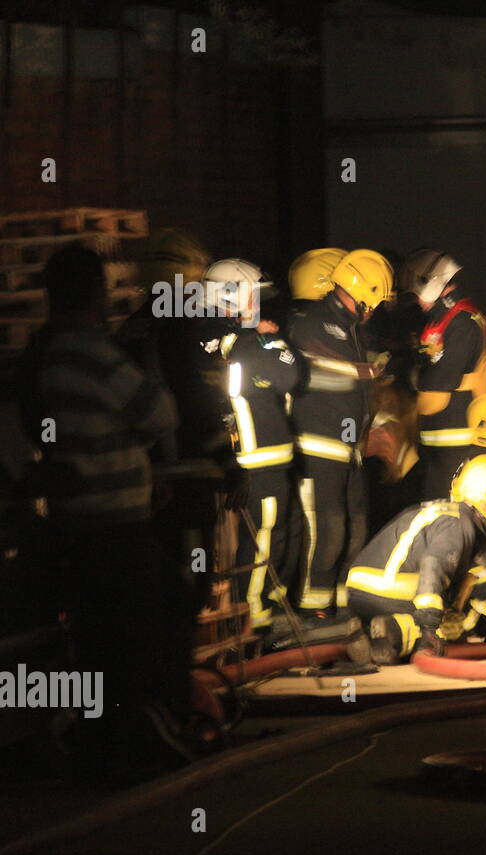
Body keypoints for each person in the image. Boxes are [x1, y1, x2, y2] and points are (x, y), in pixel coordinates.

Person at [17, 244, 195, 768]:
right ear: (96, 293)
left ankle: (103, 740)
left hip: (78, 520)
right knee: (153, 619)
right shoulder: (91, 352)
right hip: (116, 525)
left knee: (99, 639)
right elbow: (158, 413)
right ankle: (145, 737)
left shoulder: (42, 353)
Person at [116, 228, 246, 612]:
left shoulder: (130, 331)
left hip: (142, 482)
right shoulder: (179, 333)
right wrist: (229, 462)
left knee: (152, 585)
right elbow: (198, 402)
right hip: (185, 479)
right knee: (187, 586)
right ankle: (172, 667)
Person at [344, 455, 486, 664]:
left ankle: (371, 633)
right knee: (450, 630)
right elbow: (433, 564)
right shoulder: (459, 525)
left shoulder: (447, 513)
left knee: (455, 615)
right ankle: (397, 633)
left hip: (363, 592)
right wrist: (430, 628)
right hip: (387, 592)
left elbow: (479, 565)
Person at [289, 248, 392, 630]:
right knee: (327, 529)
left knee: (356, 528)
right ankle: (312, 612)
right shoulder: (312, 322)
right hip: (317, 444)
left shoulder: (350, 327)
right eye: (375, 303)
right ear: (362, 292)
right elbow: (309, 374)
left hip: (350, 448)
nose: (375, 311)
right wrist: (364, 372)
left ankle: (347, 608)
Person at [205, 258, 303, 634]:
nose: (257, 306)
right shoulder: (249, 344)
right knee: (265, 537)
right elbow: (290, 372)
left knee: (269, 535)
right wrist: (274, 339)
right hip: (259, 459)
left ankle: (260, 611)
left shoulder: (220, 341)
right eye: (252, 297)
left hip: (253, 459)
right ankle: (257, 618)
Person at [400, 249, 486, 498]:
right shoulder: (442, 320)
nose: (415, 298)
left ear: (432, 283)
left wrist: (413, 378)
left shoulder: (463, 322)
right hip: (439, 438)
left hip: (457, 439)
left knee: (448, 514)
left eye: (416, 289)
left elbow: (444, 376)